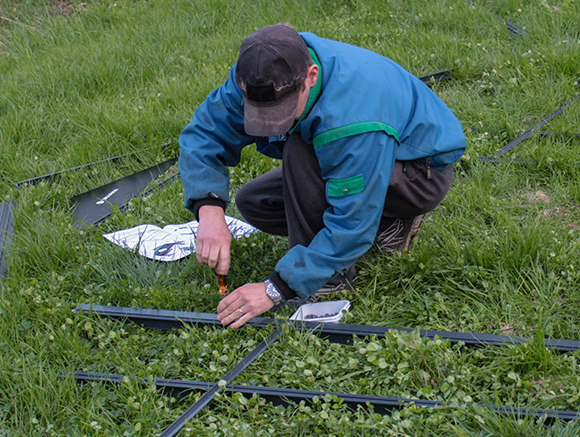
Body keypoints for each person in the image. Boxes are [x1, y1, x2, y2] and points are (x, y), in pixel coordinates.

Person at [178, 24, 466, 329]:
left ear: (311, 76)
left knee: (300, 150)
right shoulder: (260, 74)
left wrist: (275, 288)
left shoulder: (352, 118)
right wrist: (208, 210)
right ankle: (387, 223)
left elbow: (352, 224)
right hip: (361, 157)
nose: (272, 125)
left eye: (281, 112)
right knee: (254, 202)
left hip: (418, 174)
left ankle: (330, 277)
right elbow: (204, 134)